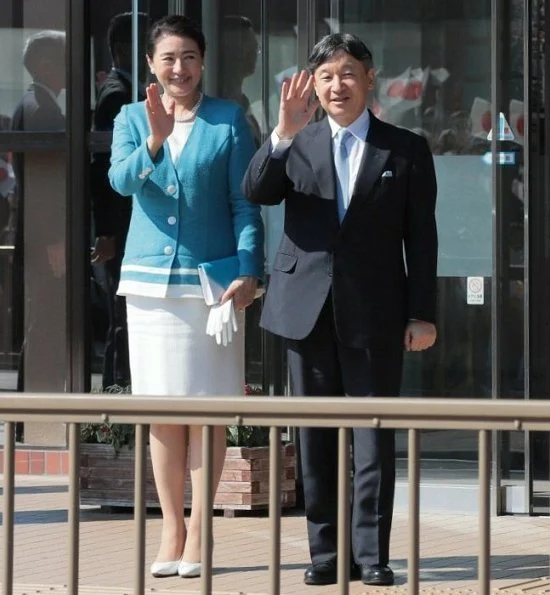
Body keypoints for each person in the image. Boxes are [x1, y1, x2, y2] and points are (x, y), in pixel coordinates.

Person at [242, 33, 438, 587]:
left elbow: (422, 239)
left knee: (373, 437)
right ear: (313, 85)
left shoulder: (405, 149)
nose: (337, 85)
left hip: (376, 311)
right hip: (305, 310)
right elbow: (256, 191)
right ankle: (325, 555)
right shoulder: (296, 143)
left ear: (369, 79)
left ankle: (372, 554)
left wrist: (421, 313)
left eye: (348, 73)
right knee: (316, 436)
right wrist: (281, 132)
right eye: (326, 75)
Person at [108, 15, 264, 579]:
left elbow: (245, 203)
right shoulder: (130, 117)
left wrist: (248, 269)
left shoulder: (227, 121)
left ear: (203, 61)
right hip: (150, 286)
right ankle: (171, 525)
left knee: (207, 412)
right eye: (169, 57)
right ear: (151, 63)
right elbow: (121, 181)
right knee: (162, 412)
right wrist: (154, 137)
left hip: (211, 286)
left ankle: (201, 526)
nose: (180, 68)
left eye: (190, 56)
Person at [91, 12, 147, 388]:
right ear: (125, 49)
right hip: (122, 228)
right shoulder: (117, 95)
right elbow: (101, 170)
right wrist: (107, 231)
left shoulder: (130, 90)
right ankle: (115, 403)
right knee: (123, 317)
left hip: (128, 227)